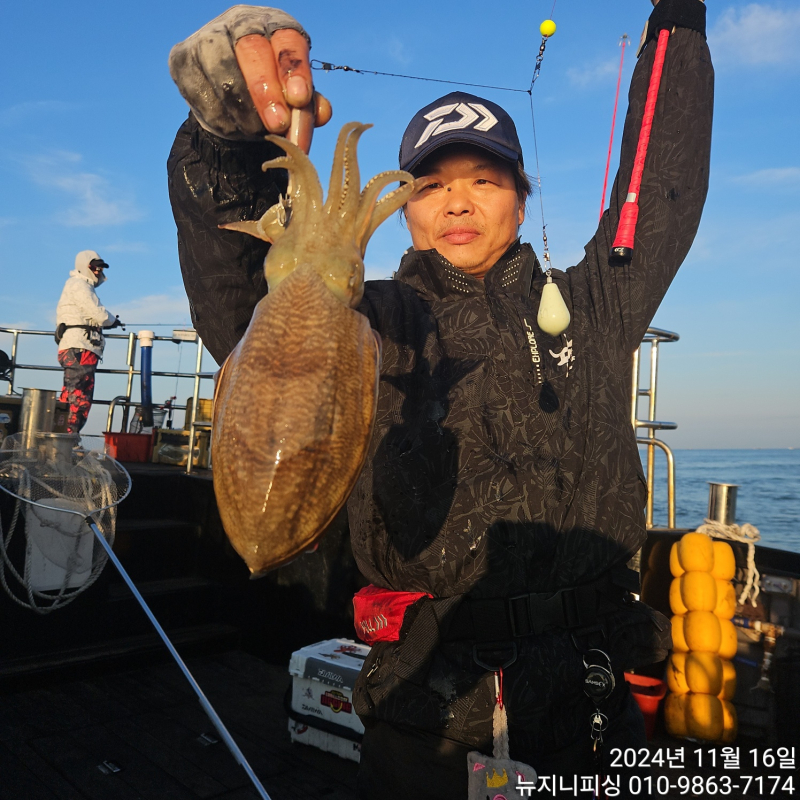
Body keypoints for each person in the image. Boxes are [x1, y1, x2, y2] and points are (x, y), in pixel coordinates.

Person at [167, 1, 712, 797]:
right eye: (431, 184)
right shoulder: (366, 322)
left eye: (484, 180)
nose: (457, 202)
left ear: (521, 201)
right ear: (407, 209)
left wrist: (679, 25)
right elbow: (246, 311)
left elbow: (657, 190)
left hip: (589, 711)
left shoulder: (595, 305)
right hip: (427, 711)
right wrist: (223, 137)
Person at [55, 250, 121, 434]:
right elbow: (97, 313)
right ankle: (68, 440)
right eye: (95, 267)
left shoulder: (76, 285)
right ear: (85, 267)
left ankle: (60, 437)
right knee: (80, 397)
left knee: (70, 394)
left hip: (74, 347)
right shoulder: (80, 285)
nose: (98, 271)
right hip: (80, 348)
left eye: (101, 267)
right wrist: (112, 321)